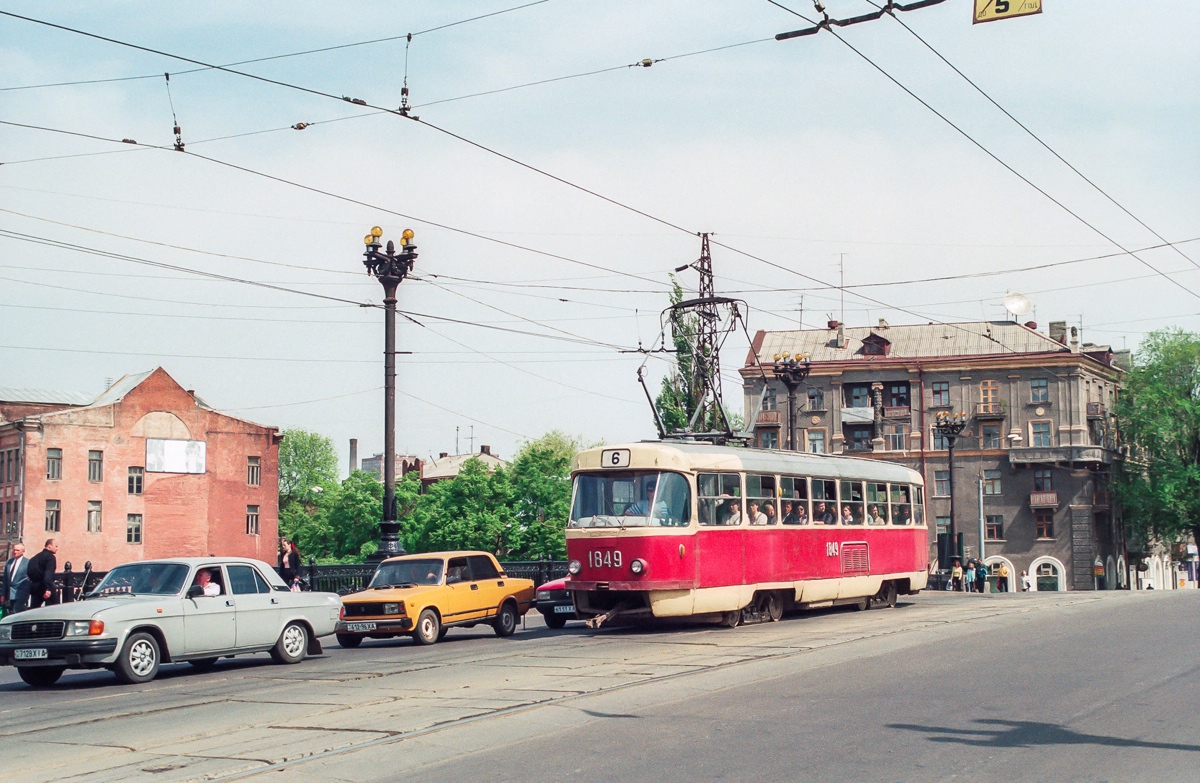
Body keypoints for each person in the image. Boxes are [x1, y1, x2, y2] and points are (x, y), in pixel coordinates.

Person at [27, 538, 58, 609]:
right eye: (56, 546)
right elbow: (48, 574)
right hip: (45, 587)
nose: (57, 548)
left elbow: (29, 573)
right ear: (49, 546)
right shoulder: (50, 557)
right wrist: (48, 589)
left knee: (34, 610)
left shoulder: (34, 558)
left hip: (35, 587)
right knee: (54, 609)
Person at [3, 543, 30, 614]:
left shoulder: (27, 562)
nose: (15, 552)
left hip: (21, 593)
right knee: (9, 613)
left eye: (17, 550)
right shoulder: (9, 562)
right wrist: (3, 594)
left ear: (23, 551)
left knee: (15, 612)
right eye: (14, 550)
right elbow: (5, 579)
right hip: (9, 594)